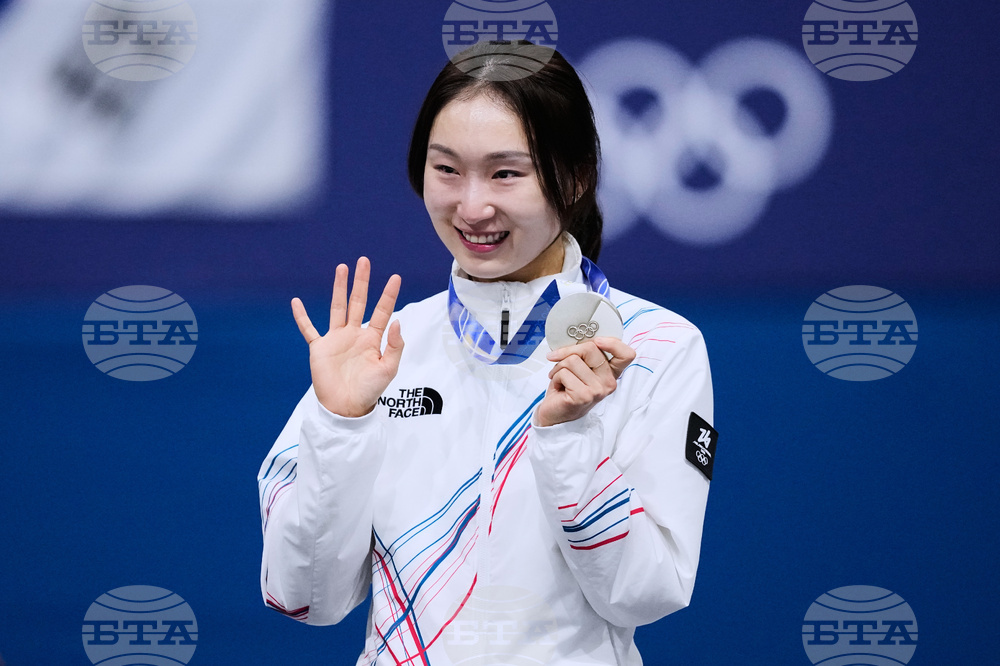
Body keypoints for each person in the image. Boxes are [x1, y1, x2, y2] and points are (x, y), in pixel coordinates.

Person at [257, 42, 716, 665]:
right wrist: (340, 427)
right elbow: (304, 598)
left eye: (506, 173)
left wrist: (570, 443)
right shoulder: (383, 354)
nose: (472, 208)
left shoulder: (657, 347)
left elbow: (646, 593)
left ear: (575, 176)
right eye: (446, 170)